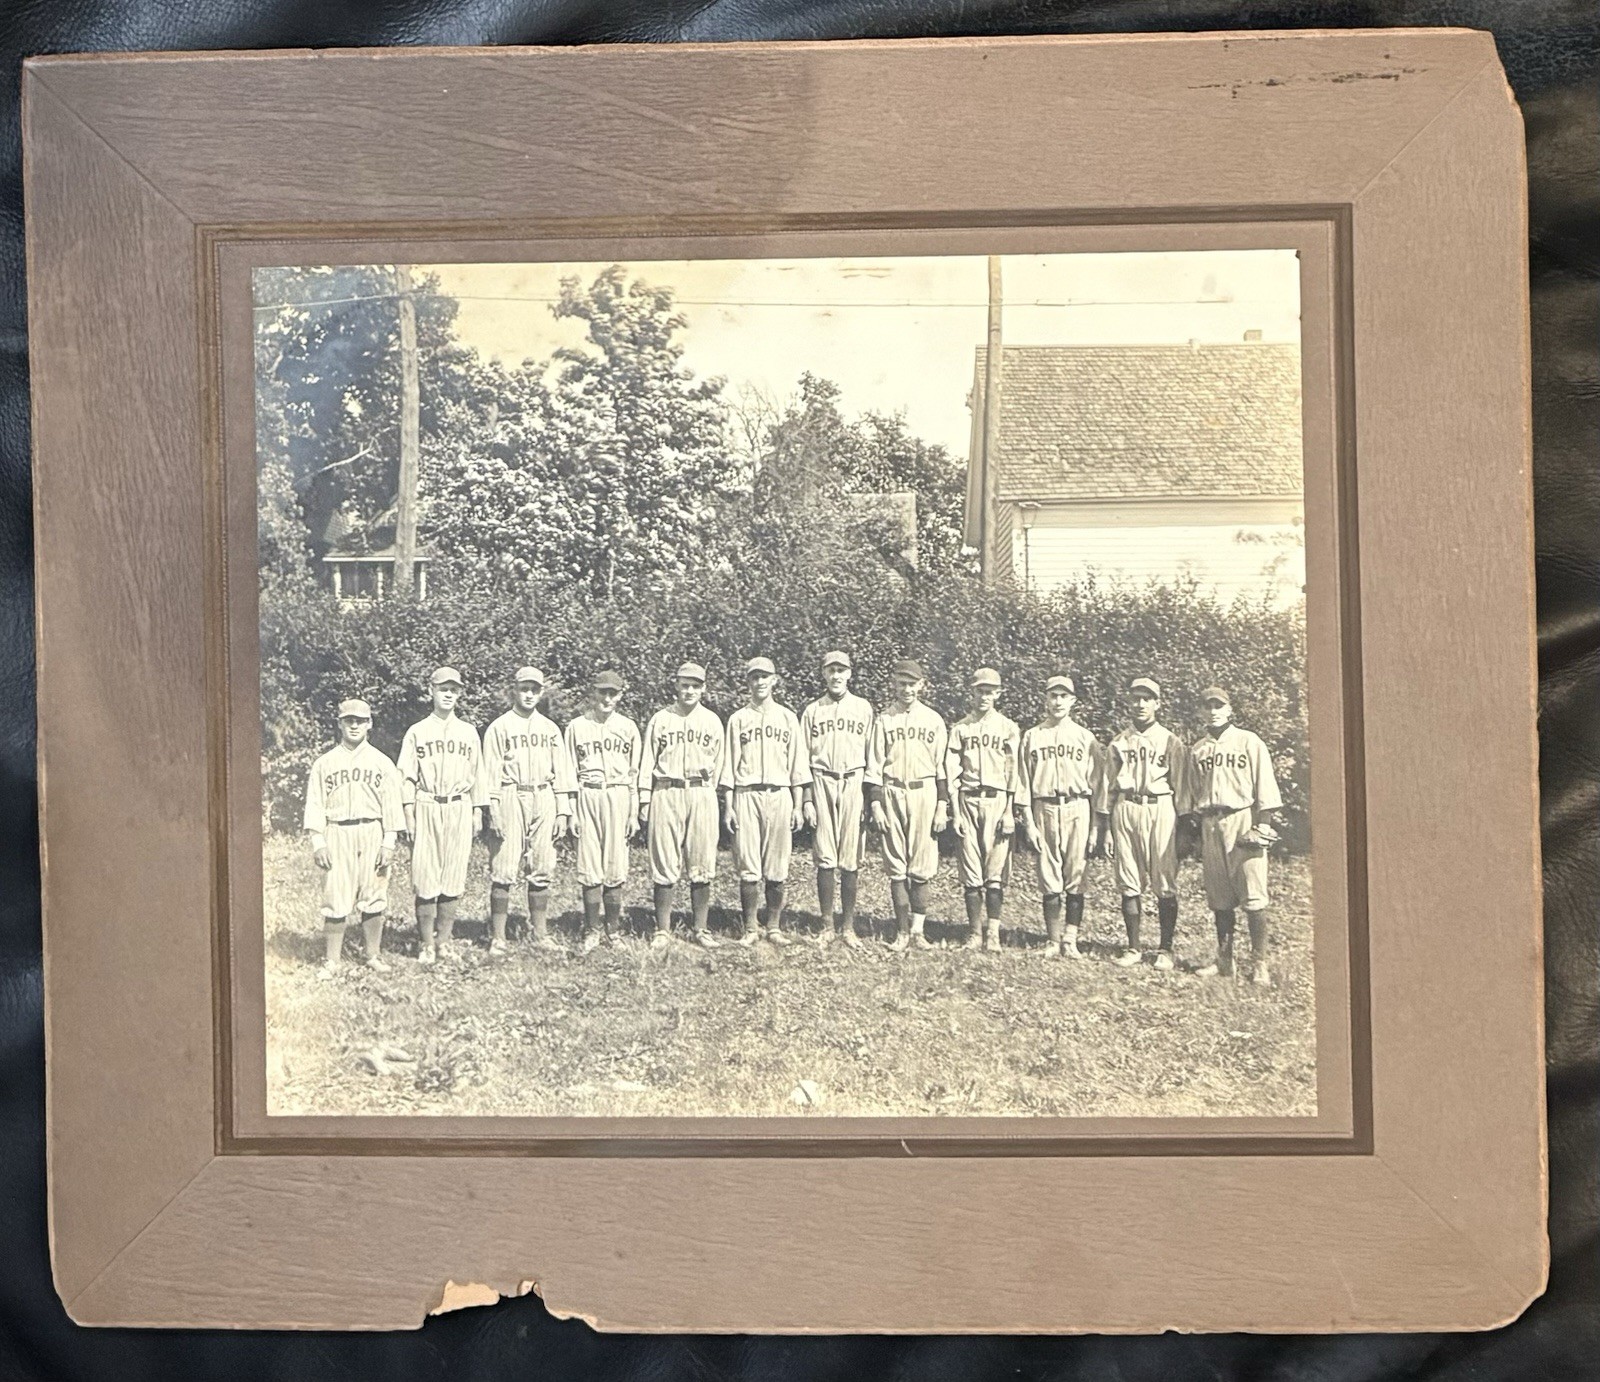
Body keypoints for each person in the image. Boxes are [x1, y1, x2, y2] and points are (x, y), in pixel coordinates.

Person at [1182, 686, 1284, 986]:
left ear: (1229, 709)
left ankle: (1259, 964)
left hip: (1242, 819)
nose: (1213, 710)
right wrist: (1196, 833)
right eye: (1207, 705)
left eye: (1219, 705)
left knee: (1253, 897)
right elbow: (1193, 792)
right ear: (1201, 711)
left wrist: (1262, 826)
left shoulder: (1248, 741)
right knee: (1220, 897)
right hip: (1211, 822)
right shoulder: (1198, 749)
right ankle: (1225, 960)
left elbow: (1265, 786)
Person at [302, 698, 405, 976]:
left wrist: (389, 842)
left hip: (372, 829)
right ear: (340, 724)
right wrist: (318, 841)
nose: (355, 725)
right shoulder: (324, 763)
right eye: (349, 720)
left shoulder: (382, 762)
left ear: (369, 724)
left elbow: (392, 806)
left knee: (374, 892)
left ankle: (372, 954)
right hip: (337, 831)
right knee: (336, 894)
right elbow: (315, 804)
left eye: (360, 720)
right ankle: (332, 960)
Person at [397, 667, 491, 966]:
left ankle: (444, 941)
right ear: (431, 692)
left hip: (459, 805)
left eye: (454, 689)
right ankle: (426, 943)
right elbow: (407, 777)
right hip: (427, 804)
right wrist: (408, 813)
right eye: (443, 689)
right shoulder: (417, 731)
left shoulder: (468, 732)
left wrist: (478, 811)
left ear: (459, 694)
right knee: (426, 875)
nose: (448, 694)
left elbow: (479, 775)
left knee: (453, 874)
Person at [481, 667, 575, 955]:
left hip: (543, 794)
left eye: (535, 689)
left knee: (543, 864)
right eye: (524, 689)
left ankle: (540, 933)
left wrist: (563, 811)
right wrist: (493, 808)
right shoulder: (500, 727)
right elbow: (490, 772)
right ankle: (498, 936)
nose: (529, 694)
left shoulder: (550, 729)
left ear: (541, 692)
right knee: (504, 866)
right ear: (515, 690)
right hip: (512, 792)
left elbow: (562, 772)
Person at [1097, 676, 1186, 970]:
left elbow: (1181, 788)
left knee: (1164, 879)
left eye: (1147, 698)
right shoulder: (1119, 742)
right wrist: (1105, 828)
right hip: (1126, 807)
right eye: (1136, 698)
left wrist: (1184, 828)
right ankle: (1133, 947)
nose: (1140, 704)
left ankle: (1165, 949)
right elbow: (1108, 787)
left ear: (1157, 704)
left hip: (1159, 807)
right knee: (1128, 878)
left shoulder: (1171, 741)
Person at [721, 657, 809, 946]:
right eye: (754, 677)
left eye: (765, 677)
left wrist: (798, 805)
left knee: (777, 863)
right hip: (747, 793)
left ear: (775, 680)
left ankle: (773, 926)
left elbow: (797, 765)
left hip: (779, 793)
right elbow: (730, 765)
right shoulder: (738, 719)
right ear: (748, 682)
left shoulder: (787, 717)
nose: (760, 682)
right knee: (747, 862)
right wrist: (729, 805)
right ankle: (750, 928)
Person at [1016, 674, 1105, 959]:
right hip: (1045, 807)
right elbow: (1023, 783)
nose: (1057, 702)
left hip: (1077, 806)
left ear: (1072, 701)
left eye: (1063, 696)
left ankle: (1071, 939)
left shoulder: (1085, 737)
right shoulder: (1032, 735)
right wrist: (1028, 821)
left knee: (1076, 875)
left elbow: (1097, 784)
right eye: (1053, 695)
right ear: (1045, 699)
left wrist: (1094, 827)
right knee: (1048, 873)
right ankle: (1053, 940)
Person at [639, 662, 725, 949]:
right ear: (676, 685)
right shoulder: (660, 719)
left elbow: (720, 763)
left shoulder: (712, 721)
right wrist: (643, 798)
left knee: (701, 861)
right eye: (684, 685)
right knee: (663, 860)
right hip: (667, 789)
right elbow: (646, 762)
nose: (689, 691)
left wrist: (712, 796)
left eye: (695, 685)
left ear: (703, 688)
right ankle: (662, 930)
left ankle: (700, 928)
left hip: (700, 791)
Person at [865, 659, 950, 951]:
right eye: (902, 683)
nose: (907, 689)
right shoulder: (884, 719)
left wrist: (942, 804)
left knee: (922, 865)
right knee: (897, 865)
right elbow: (874, 766)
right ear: (894, 684)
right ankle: (901, 931)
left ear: (921, 685)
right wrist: (875, 804)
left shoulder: (933, 720)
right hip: (892, 791)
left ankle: (918, 932)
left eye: (912, 684)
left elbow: (943, 767)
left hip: (924, 792)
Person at [798, 651, 873, 948]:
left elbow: (873, 756)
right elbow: (801, 759)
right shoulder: (813, 710)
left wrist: (869, 797)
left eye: (842, 670)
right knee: (826, 856)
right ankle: (827, 924)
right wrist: (806, 799)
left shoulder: (863, 708)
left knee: (851, 857)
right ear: (824, 674)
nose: (836, 676)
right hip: (822, 779)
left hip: (853, 780)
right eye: (831, 670)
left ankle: (849, 927)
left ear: (850, 674)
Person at [565, 670, 641, 952]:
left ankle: (613, 931)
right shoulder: (576, 726)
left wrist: (633, 814)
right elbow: (568, 772)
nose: (607, 698)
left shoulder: (629, 727)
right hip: (588, 792)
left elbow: (634, 775)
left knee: (615, 863)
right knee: (589, 864)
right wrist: (571, 811)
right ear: (593, 693)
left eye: (613, 693)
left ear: (620, 695)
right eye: (602, 692)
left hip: (618, 794)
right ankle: (591, 930)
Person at [945, 667, 1021, 952]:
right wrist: (955, 811)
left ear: (998, 694)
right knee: (971, 871)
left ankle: (993, 934)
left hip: (997, 800)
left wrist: (1009, 811)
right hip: (968, 799)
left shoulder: (1008, 727)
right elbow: (952, 772)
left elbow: (1014, 772)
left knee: (995, 871)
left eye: (990, 691)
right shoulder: (961, 728)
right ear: (972, 691)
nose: (984, 696)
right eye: (980, 690)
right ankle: (974, 933)